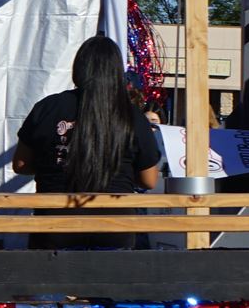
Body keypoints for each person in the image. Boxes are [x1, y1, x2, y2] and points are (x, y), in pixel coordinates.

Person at [12, 34, 165, 249]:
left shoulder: (49, 107)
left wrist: (56, 163)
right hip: (114, 227)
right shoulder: (131, 115)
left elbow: (20, 165)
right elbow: (149, 180)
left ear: (79, 68)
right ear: (116, 72)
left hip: (53, 226)